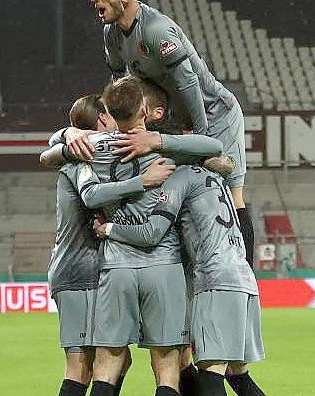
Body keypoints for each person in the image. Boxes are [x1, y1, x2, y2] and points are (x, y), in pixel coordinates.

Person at [93, 154, 283, 396]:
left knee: (211, 376)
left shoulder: (180, 177)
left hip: (214, 278)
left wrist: (110, 229)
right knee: (239, 375)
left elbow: (152, 232)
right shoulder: (215, 177)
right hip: (242, 274)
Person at [80, 0, 255, 268]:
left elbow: (188, 82)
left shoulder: (157, 29)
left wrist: (201, 139)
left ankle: (246, 276)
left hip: (213, 113)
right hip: (172, 118)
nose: (94, 1)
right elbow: (119, 86)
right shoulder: (112, 33)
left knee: (232, 196)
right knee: (174, 192)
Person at [42, 94, 172, 396]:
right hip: (78, 270)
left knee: (117, 361)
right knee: (80, 369)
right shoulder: (82, 155)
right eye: (110, 116)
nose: (117, 120)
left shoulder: (89, 148)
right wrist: (142, 182)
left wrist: (62, 135)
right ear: (100, 120)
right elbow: (90, 197)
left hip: (92, 271)